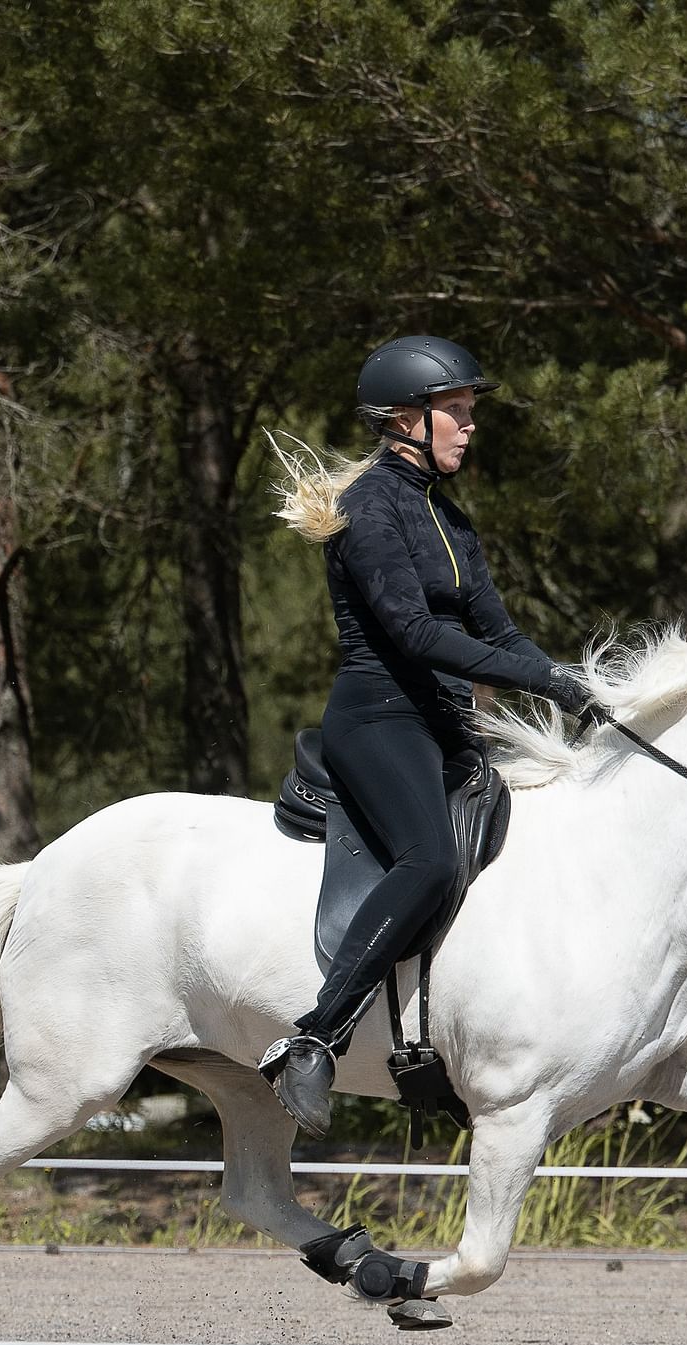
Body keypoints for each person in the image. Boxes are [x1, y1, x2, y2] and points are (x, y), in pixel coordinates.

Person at [259, 335, 605, 1138]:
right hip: (380, 717)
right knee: (432, 857)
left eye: (468, 411)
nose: (468, 425)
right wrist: (543, 680)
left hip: (447, 722)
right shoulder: (370, 509)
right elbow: (414, 636)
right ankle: (314, 1041)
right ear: (405, 420)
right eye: (456, 410)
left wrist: (582, 689)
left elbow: (497, 633)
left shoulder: (448, 517)